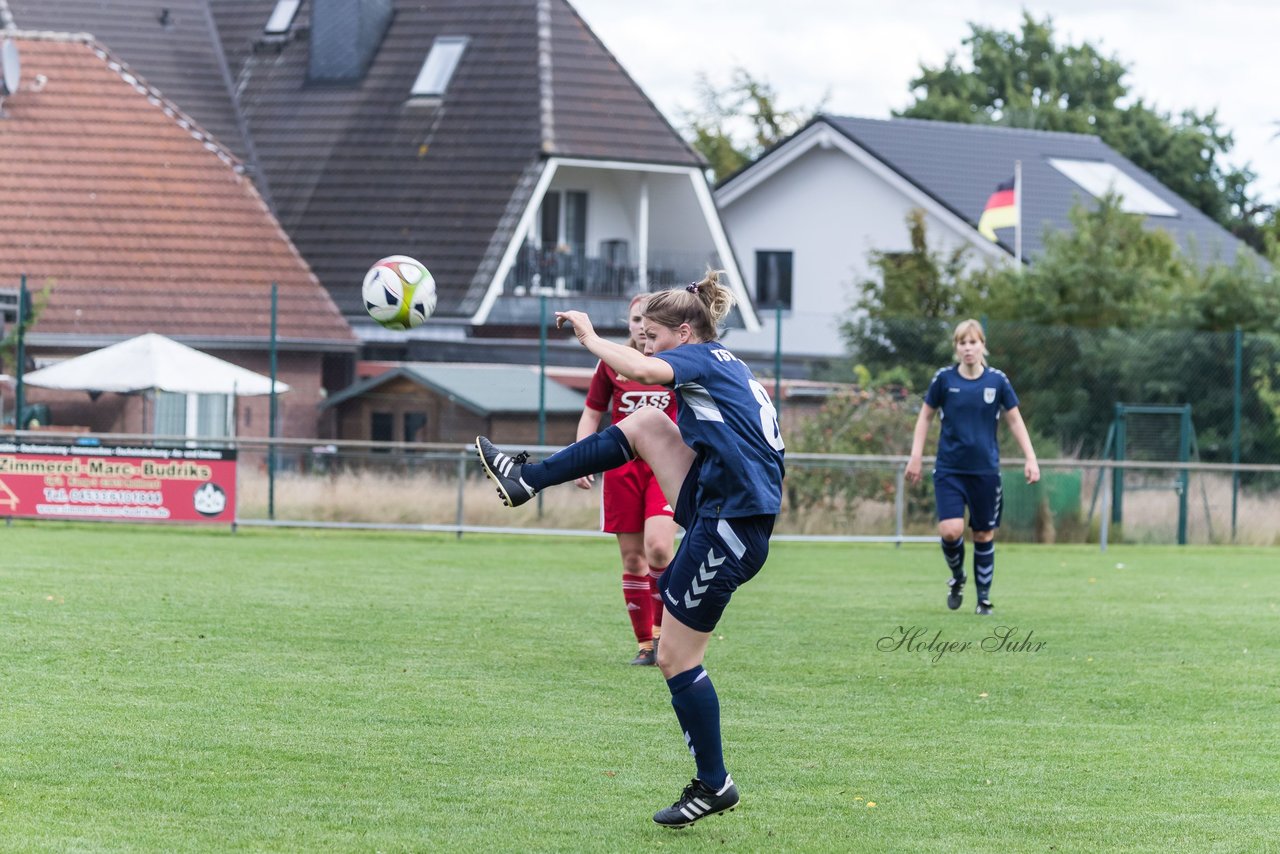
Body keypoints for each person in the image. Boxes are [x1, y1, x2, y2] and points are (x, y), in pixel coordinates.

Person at [475, 271, 784, 828]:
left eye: (655, 337)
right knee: (642, 421)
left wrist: (591, 338)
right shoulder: (721, 361)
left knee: (676, 658)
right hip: (722, 501)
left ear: (684, 333)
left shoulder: (703, 358)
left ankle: (714, 783)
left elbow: (640, 370)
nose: (648, 348)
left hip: (731, 522)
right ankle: (527, 479)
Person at [905, 318, 1040, 615]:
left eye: (973, 342)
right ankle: (958, 577)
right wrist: (916, 455)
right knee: (951, 531)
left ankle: (983, 600)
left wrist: (1030, 457)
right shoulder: (944, 379)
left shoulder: (997, 381)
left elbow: (1015, 419)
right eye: (962, 343)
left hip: (985, 471)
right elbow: (926, 416)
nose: (968, 348)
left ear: (983, 346)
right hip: (949, 469)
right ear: (956, 347)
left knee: (982, 534)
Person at [574, 293, 678, 666]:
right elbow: (591, 415)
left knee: (660, 549)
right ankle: (645, 644)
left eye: (648, 322)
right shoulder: (612, 364)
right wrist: (581, 458)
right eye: (636, 320)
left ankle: (668, 636)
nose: (641, 328)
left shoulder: (674, 363)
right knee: (633, 559)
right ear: (629, 324)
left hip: (664, 468)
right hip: (622, 469)